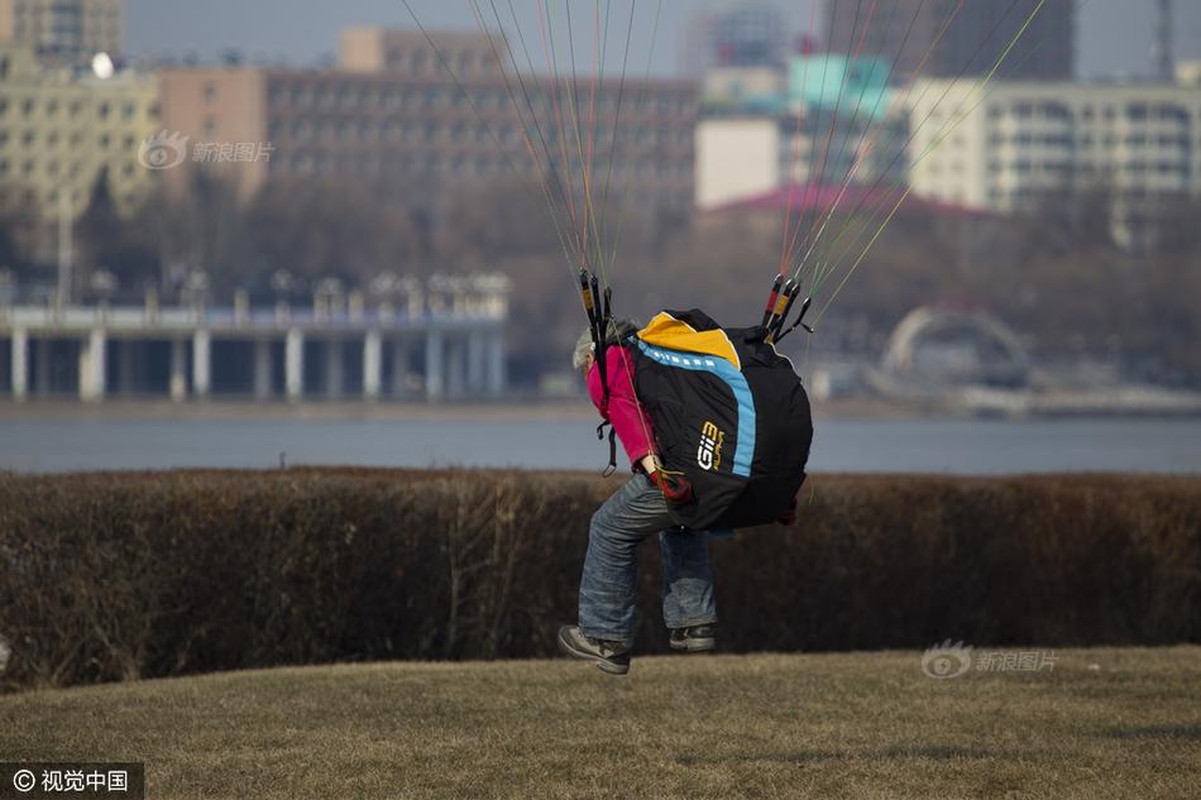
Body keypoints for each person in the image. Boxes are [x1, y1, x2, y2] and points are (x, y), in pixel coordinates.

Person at [557, 323, 719, 676]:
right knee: (679, 518)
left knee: (607, 526)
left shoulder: (608, 363)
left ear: (588, 358)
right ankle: (695, 622)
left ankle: (605, 637)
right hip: (711, 465)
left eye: (584, 371)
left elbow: (631, 420)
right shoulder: (655, 357)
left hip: (677, 468)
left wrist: (654, 470)